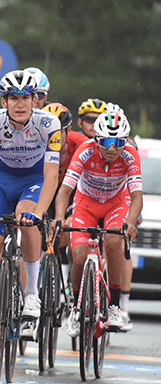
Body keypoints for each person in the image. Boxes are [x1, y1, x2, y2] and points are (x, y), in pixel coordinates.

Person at [0, 69, 61, 354]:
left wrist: (41, 211)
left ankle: (31, 294)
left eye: (26, 97)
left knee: (28, 222)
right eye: (14, 98)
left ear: (34, 100)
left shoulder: (49, 123)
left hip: (33, 181)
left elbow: (52, 176)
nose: (20, 103)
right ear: (4, 101)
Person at [51, 111, 142, 337]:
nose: (112, 148)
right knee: (79, 257)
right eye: (106, 142)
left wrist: (129, 224)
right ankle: (75, 306)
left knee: (113, 242)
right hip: (86, 204)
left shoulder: (130, 155)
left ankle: (114, 307)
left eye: (118, 142)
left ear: (125, 141)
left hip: (116, 204)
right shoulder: (85, 151)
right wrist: (61, 218)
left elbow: (137, 197)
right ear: (96, 140)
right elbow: (65, 191)